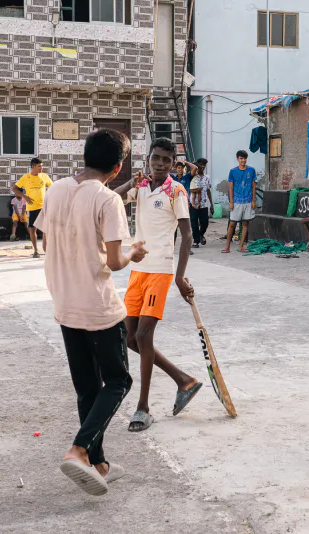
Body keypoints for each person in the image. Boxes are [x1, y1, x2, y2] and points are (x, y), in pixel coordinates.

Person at [34, 129, 146, 497]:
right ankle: (79, 450)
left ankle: (99, 464)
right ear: (116, 169)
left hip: (64, 304)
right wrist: (135, 253)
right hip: (99, 308)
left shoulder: (55, 190)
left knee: (87, 388)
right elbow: (115, 262)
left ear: (85, 157)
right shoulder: (107, 200)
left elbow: (47, 241)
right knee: (118, 382)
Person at [114, 137, 202, 432]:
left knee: (143, 334)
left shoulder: (176, 191)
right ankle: (183, 380)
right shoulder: (139, 186)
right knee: (129, 339)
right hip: (137, 269)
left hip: (162, 271)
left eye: (166, 160)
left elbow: (187, 236)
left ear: (174, 163)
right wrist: (130, 183)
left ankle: (142, 407)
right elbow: (112, 198)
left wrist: (179, 277)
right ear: (148, 158)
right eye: (156, 158)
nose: (160, 164)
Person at [12, 158, 52, 258]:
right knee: (32, 229)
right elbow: (14, 188)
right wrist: (24, 196)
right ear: (33, 166)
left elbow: (53, 187)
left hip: (43, 207)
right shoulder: (26, 178)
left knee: (46, 229)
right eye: (39, 166)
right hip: (32, 208)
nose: (41, 168)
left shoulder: (44, 176)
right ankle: (35, 250)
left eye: (42, 166)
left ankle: (47, 250)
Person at [222, 150, 257, 253]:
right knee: (232, 224)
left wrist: (254, 200)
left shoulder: (251, 170)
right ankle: (227, 247)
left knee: (245, 223)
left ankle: (241, 246)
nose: (243, 160)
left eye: (245, 158)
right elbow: (231, 188)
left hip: (248, 200)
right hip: (237, 201)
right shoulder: (233, 171)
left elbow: (254, 186)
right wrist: (231, 202)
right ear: (237, 159)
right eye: (241, 158)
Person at [189, 158, 213, 248]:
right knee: (194, 223)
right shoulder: (192, 176)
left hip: (204, 204)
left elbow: (208, 191)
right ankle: (196, 241)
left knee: (205, 223)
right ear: (197, 165)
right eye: (201, 164)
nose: (202, 166)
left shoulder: (207, 178)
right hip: (193, 203)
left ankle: (200, 234)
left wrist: (211, 204)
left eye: (204, 165)